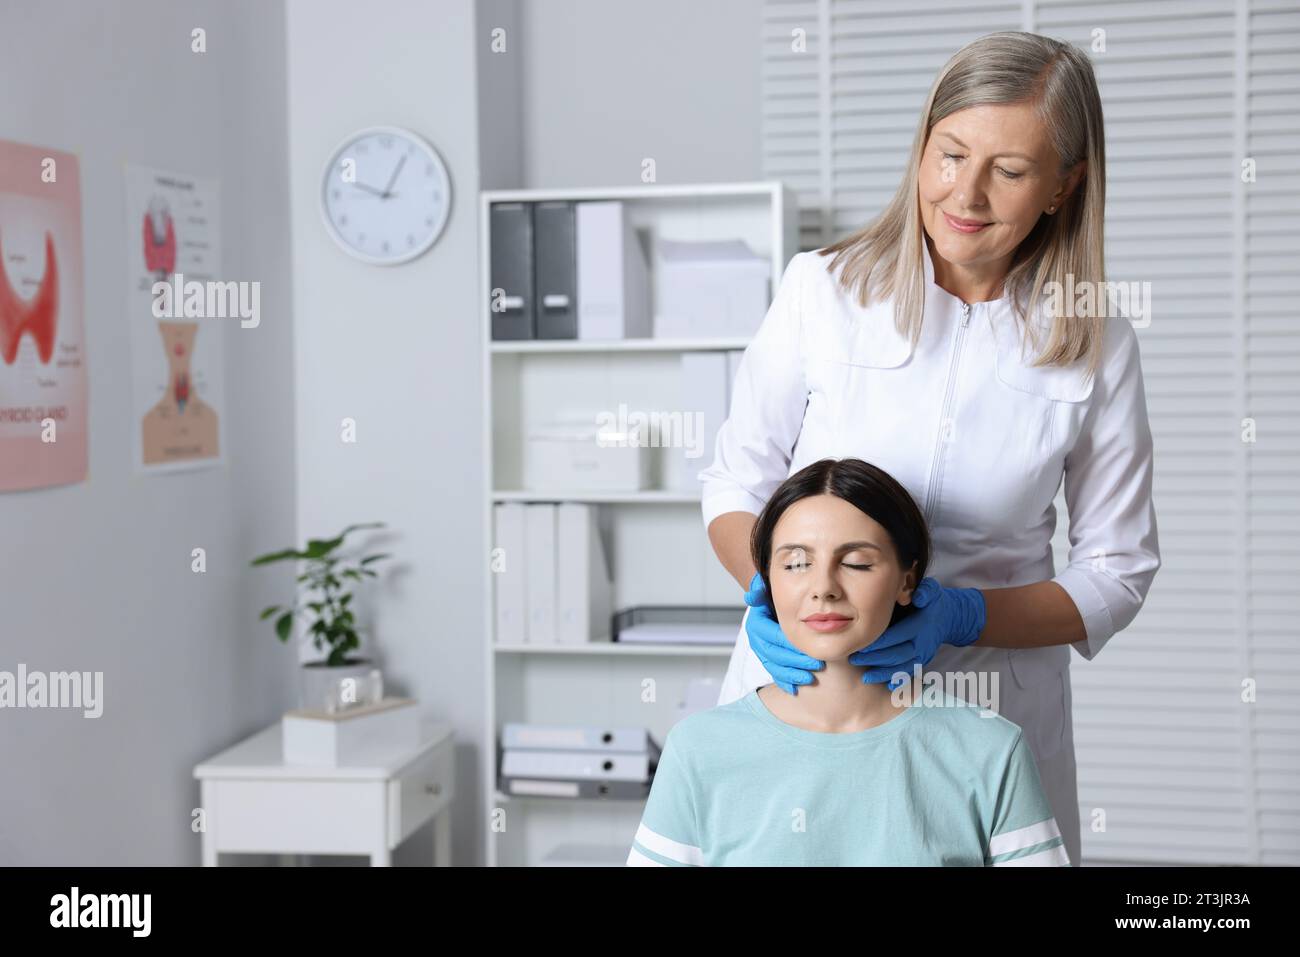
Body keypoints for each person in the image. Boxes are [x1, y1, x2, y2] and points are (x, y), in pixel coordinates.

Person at [700, 32, 1161, 868]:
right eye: (949, 154)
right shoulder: (823, 291)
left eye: (1010, 171)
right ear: (921, 145)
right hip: (812, 690)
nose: (966, 194)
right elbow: (738, 480)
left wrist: (965, 612)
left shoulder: (1096, 343)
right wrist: (773, 596)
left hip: (990, 711)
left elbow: (1118, 570)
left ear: (1065, 185)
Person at [627, 458, 1069, 866]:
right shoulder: (699, 750)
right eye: (796, 562)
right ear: (766, 581)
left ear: (907, 581)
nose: (823, 587)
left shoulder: (990, 750)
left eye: (856, 563)